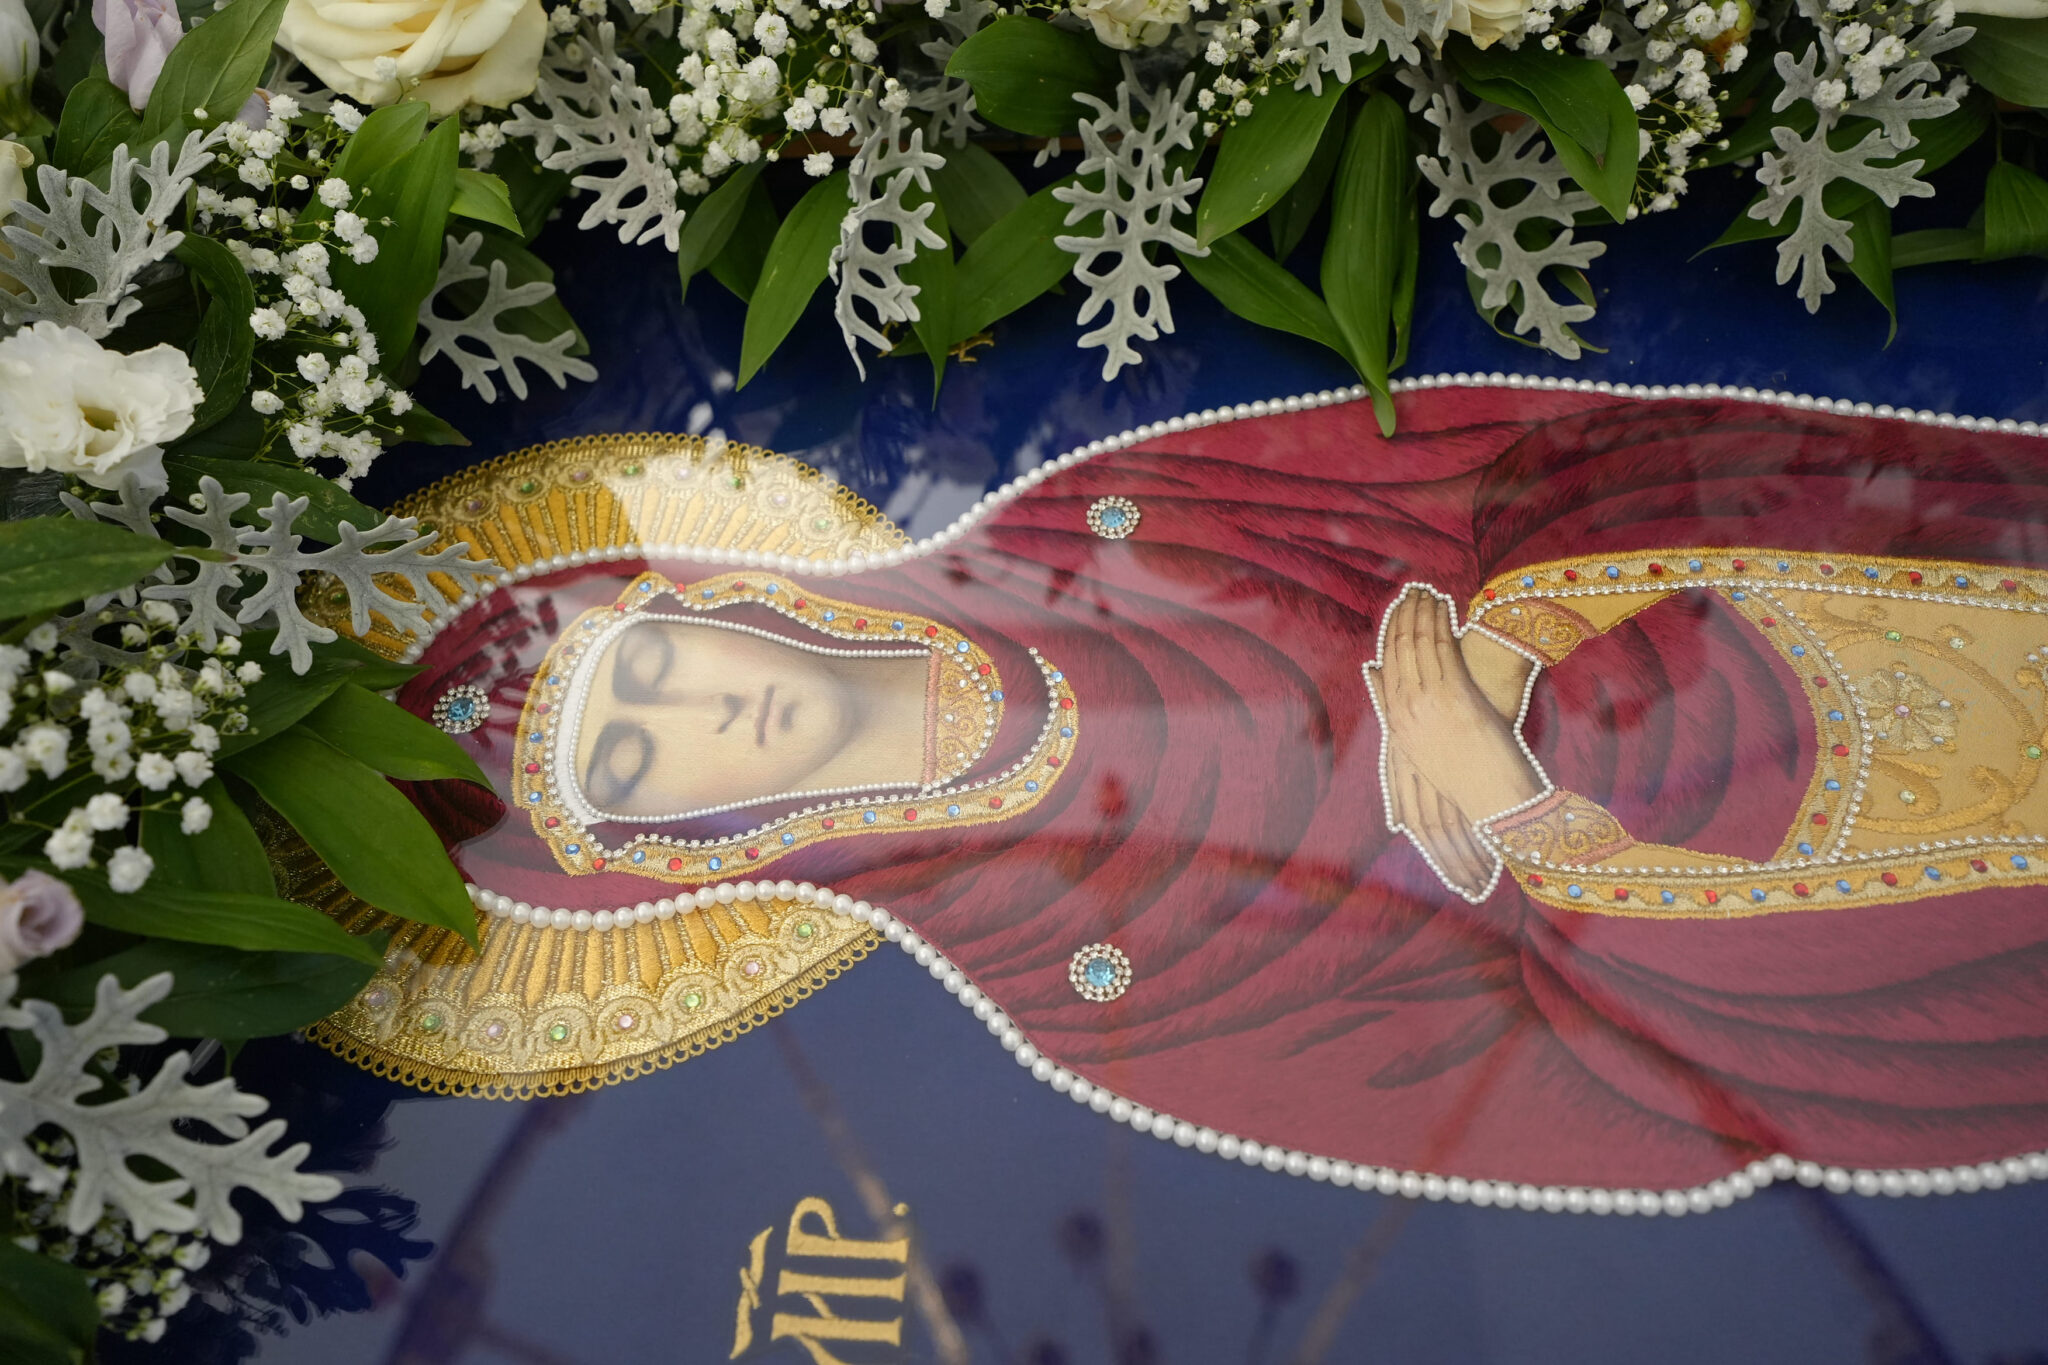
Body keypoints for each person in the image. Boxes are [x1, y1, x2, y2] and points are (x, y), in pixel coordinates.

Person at [324, 385, 2048, 1195]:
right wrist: (1529, 825)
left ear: (714, 601)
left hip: (1831, 601)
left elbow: (1508, 454)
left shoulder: (1085, 518)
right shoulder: (1081, 994)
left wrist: (1509, 629)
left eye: (654, 662)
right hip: (1868, 918)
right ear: (660, 852)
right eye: (635, 758)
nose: (703, 706)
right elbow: (1636, 1116)